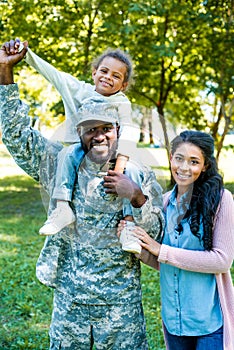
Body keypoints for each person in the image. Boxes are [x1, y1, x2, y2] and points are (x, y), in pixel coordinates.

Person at [0, 45, 165, 349]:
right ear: (79, 130)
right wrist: (5, 72)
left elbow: (159, 236)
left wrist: (138, 197)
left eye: (107, 128)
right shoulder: (59, 162)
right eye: (90, 128)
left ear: (119, 130)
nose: (99, 135)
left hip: (121, 315)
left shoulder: (138, 174)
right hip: (70, 312)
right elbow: (16, 135)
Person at [3, 38, 133, 236]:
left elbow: (129, 135)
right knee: (66, 154)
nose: (108, 77)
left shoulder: (122, 103)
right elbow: (54, 74)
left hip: (110, 161)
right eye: (104, 71)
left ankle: (129, 226)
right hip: (79, 149)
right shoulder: (81, 90)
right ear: (94, 72)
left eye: (116, 76)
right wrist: (26, 54)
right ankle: (62, 208)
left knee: (132, 175)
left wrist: (120, 168)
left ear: (123, 85)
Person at [119, 130, 234, 350]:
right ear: (171, 158)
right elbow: (167, 264)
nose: (183, 167)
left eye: (194, 162)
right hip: (174, 322)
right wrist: (141, 249)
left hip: (209, 324)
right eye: (179, 158)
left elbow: (222, 260)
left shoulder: (221, 200)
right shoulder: (164, 203)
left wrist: (160, 249)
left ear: (205, 166)